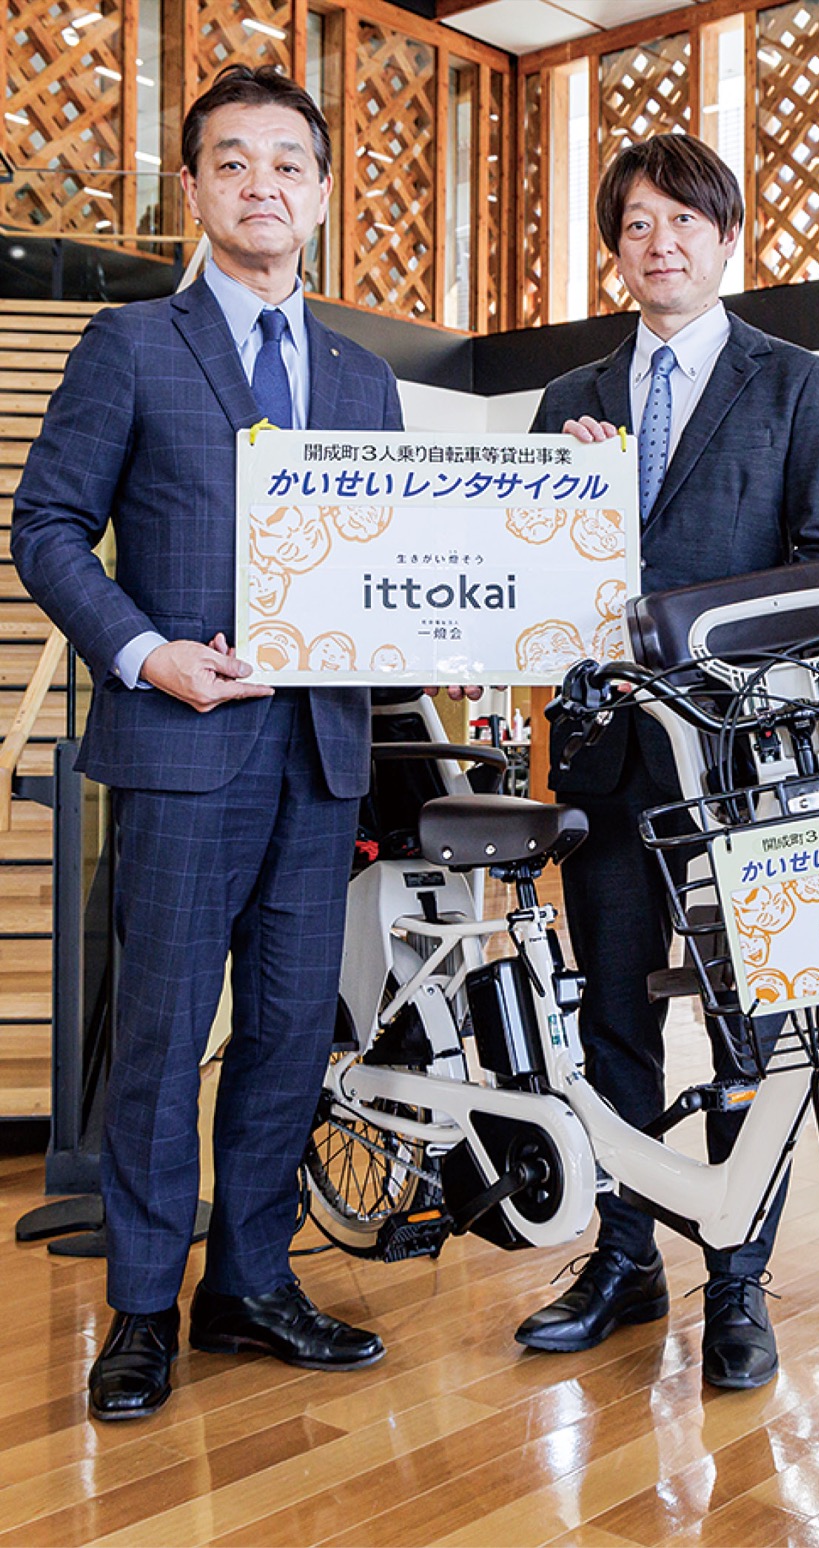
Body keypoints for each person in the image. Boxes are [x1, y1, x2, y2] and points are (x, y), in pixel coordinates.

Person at [13, 65, 402, 1421]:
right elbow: (46, 527)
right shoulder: (131, 345)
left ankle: (248, 1284)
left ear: (321, 192)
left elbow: (390, 560)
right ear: (193, 189)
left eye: (287, 162)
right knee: (163, 1035)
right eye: (232, 161)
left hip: (320, 758)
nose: (261, 185)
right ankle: (139, 1307)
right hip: (180, 747)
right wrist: (144, 652)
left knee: (289, 1038)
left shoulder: (363, 377)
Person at [515, 133, 819, 1389]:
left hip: (737, 765)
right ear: (614, 248)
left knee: (743, 1028)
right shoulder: (567, 400)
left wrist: (697, 648)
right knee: (609, 1014)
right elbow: (531, 577)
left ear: (727, 238)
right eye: (637, 224)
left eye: (684, 221)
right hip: (606, 758)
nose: (660, 243)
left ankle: (736, 1277)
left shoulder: (795, 382)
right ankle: (623, 1259)